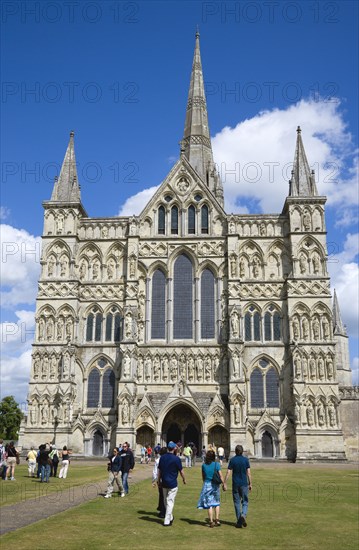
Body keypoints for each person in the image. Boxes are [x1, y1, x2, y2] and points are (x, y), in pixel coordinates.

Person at [157, 441, 186, 527]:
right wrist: (184, 479)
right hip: (172, 483)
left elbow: (159, 471)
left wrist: (158, 481)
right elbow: (181, 471)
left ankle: (170, 517)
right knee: (169, 501)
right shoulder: (176, 459)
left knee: (166, 501)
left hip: (164, 482)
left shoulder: (162, 458)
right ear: (174, 449)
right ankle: (167, 520)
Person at [224, 444, 252, 528]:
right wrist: (250, 483)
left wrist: (225, 482)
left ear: (235, 451)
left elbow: (228, 472)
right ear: (242, 451)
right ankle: (243, 515)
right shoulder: (246, 460)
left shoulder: (232, 460)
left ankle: (239, 521)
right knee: (245, 501)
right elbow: (248, 473)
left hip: (235, 484)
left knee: (236, 502)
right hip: (244, 483)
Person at [197, 449, 226, 527]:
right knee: (216, 503)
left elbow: (203, 476)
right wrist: (224, 484)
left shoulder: (204, 465)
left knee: (209, 504)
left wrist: (205, 482)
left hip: (207, 484)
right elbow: (220, 475)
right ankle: (217, 519)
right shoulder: (217, 464)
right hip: (215, 485)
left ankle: (211, 521)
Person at [152, 446, 167, 517]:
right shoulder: (168, 459)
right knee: (165, 496)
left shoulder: (158, 460)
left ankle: (162, 511)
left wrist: (154, 480)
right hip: (167, 479)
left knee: (162, 495)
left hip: (160, 480)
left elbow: (155, 471)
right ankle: (163, 510)